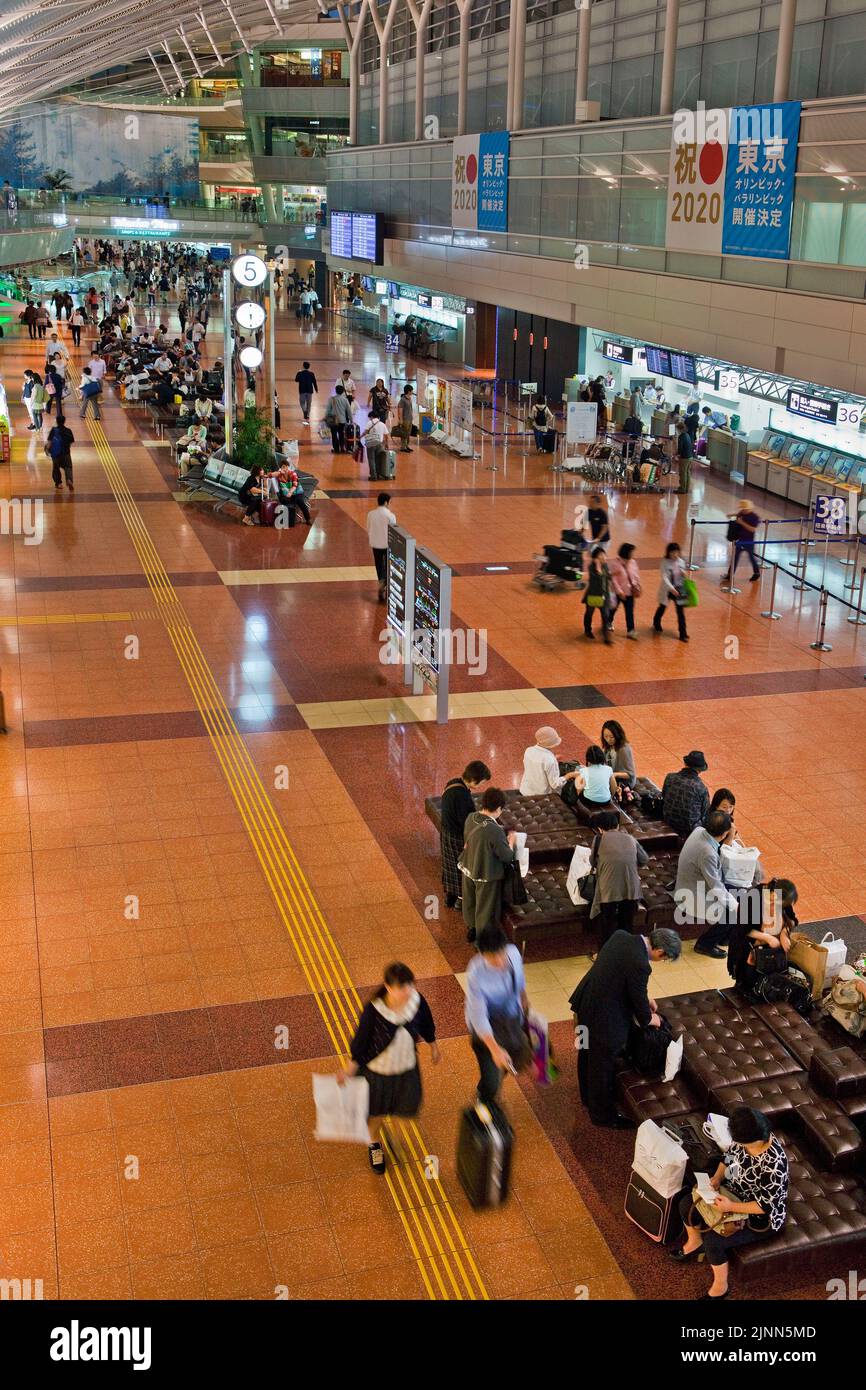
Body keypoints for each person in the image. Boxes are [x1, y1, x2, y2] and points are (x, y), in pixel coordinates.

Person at [671, 1105, 788, 1301]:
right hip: (733, 1193)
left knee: (714, 1241)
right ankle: (694, 1242)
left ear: (754, 1139)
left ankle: (720, 1287)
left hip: (760, 1217)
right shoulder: (745, 1142)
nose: (737, 1143)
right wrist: (717, 1179)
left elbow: (765, 1206)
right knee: (686, 1203)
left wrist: (730, 1207)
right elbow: (729, 1158)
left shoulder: (774, 1164)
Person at [569, 927, 682, 1128]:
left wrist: (645, 997)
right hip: (604, 1021)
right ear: (660, 952)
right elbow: (640, 1008)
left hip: (585, 1005)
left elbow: (617, 973)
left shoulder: (620, 936)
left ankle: (586, 1096)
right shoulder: (640, 964)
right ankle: (602, 1115)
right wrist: (651, 1019)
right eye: (664, 959)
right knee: (601, 1066)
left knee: (585, 1050)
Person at [339, 962, 438, 1175]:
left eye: (410, 985)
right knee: (376, 1115)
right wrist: (349, 1069)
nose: (407, 991)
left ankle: (391, 1135)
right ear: (388, 987)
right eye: (401, 987)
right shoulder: (374, 1011)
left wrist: (433, 1046)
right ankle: (374, 1144)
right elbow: (360, 1043)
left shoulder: (416, 1002)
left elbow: (427, 1024)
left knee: (406, 1108)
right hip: (378, 1075)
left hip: (406, 1071)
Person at [464, 925, 531, 1104]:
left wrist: (524, 998)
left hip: (511, 1020)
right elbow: (478, 1015)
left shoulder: (514, 953)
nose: (499, 961)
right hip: (486, 1028)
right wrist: (494, 1049)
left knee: (514, 1059)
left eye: (501, 954)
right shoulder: (475, 972)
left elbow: (520, 979)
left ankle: (494, 1081)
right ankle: (483, 1098)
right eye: (492, 958)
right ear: (482, 954)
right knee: (492, 1079)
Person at [674, 808, 739, 958]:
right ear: (724, 834)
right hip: (691, 895)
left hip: (695, 883)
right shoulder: (707, 853)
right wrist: (736, 906)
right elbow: (716, 888)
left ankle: (723, 937)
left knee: (738, 893)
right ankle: (705, 944)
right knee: (732, 911)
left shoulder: (699, 831)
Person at [460, 787, 517, 944]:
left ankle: (471, 929)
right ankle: (482, 941)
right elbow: (506, 856)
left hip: (467, 866)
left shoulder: (471, 818)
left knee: (470, 901)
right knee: (485, 909)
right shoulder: (494, 830)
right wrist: (511, 841)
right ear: (499, 809)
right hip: (486, 873)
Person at [726, 878, 797, 997]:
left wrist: (785, 933)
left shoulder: (782, 898)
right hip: (748, 950)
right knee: (746, 986)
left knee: (768, 985)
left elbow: (793, 920)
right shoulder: (752, 899)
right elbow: (742, 929)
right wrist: (767, 938)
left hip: (770, 952)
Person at [587, 809, 649, 945]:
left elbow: (593, 862)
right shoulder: (630, 838)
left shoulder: (598, 839)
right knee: (626, 924)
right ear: (618, 826)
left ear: (599, 828)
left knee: (606, 925)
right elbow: (644, 859)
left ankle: (605, 954)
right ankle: (625, 952)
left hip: (608, 890)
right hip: (631, 889)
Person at [439, 761, 492, 909]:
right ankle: (461, 901)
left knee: (450, 864)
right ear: (474, 780)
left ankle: (450, 896)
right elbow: (466, 823)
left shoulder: (453, 783)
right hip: (457, 836)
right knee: (463, 867)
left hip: (446, 832)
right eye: (481, 782)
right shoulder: (462, 796)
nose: (481, 786)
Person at [519, 726, 582, 797]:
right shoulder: (549, 759)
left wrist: (554, 759)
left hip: (526, 790)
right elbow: (555, 785)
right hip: (541, 795)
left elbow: (537, 765)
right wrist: (570, 775)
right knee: (573, 776)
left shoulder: (528, 750)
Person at [662, 750, 710, 838]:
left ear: (685, 764)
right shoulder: (701, 787)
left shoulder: (670, 777)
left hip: (668, 820)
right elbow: (705, 812)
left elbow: (664, 797)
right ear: (700, 770)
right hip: (690, 830)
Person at [652, 541, 689, 641]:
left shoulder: (681, 562)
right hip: (668, 589)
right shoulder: (664, 562)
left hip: (680, 589)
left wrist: (684, 574)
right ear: (668, 553)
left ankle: (683, 633)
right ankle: (656, 621)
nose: (675, 555)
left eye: (676, 552)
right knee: (663, 606)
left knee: (680, 612)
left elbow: (684, 576)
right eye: (672, 552)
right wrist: (672, 589)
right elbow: (664, 577)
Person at [366, 492, 396, 602]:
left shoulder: (371, 514)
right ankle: (386, 583)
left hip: (375, 544)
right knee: (388, 565)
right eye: (390, 502)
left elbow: (368, 528)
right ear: (385, 502)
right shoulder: (391, 516)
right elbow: (394, 532)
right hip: (387, 545)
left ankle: (381, 581)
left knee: (379, 564)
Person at [607, 542, 641, 640]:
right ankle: (609, 621)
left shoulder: (633, 562)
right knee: (613, 608)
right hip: (618, 593)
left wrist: (637, 584)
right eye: (631, 552)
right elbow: (614, 580)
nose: (633, 554)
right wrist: (619, 591)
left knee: (629, 612)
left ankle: (631, 631)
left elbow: (636, 575)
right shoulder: (615, 564)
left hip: (630, 592)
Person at [576, 744, 620, 814]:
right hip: (606, 801)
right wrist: (609, 796)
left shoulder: (584, 770)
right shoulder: (608, 769)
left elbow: (579, 788)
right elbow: (614, 787)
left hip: (589, 801)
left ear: (588, 758)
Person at [583, 546, 613, 643]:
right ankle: (587, 630)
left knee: (605, 615)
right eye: (601, 555)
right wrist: (598, 567)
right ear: (595, 558)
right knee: (589, 613)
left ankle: (606, 637)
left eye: (604, 554)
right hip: (594, 595)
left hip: (604, 596)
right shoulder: (592, 567)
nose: (604, 557)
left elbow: (608, 578)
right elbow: (597, 581)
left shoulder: (606, 566)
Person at [726, 499, 761, 582]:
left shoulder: (754, 517)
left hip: (748, 542)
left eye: (744, 508)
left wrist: (742, 523)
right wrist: (732, 515)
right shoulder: (741, 513)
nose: (742, 510)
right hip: (740, 540)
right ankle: (730, 575)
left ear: (748, 509)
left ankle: (756, 573)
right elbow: (736, 515)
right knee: (735, 557)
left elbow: (753, 529)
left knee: (751, 558)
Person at [600, 719, 637, 790]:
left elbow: (630, 774)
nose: (608, 740)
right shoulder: (608, 746)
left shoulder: (624, 749)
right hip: (612, 777)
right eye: (605, 736)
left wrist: (615, 775)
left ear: (617, 735)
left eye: (611, 737)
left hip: (624, 782)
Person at [46, 415, 74, 491]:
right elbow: (71, 442)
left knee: (56, 468)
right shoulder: (68, 430)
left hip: (56, 454)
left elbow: (49, 442)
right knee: (68, 467)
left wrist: (47, 450)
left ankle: (59, 483)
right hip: (66, 453)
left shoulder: (54, 430)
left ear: (57, 421)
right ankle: (69, 480)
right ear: (64, 421)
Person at [362, 416, 391, 482]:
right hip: (379, 444)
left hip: (371, 444)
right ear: (378, 417)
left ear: (371, 417)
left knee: (371, 460)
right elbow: (386, 435)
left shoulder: (369, 423)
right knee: (378, 459)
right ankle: (378, 474)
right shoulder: (382, 424)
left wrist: (360, 437)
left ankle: (373, 476)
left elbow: (365, 432)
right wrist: (386, 444)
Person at [324, 383, 352, 453]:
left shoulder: (331, 399)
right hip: (342, 420)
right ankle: (342, 447)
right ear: (343, 391)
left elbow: (328, 410)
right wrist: (351, 420)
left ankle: (336, 449)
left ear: (336, 391)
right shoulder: (345, 400)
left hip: (333, 420)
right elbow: (349, 411)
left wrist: (325, 417)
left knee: (334, 434)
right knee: (341, 434)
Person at [675, 420, 694, 494]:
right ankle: (686, 488)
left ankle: (682, 489)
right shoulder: (687, 435)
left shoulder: (681, 436)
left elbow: (680, 448)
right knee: (687, 473)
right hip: (690, 456)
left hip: (684, 458)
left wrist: (677, 454)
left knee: (682, 473)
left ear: (679, 429)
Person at [396, 385, 414, 452]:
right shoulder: (403, 400)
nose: (412, 392)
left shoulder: (409, 398)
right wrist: (400, 419)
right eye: (412, 390)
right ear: (408, 391)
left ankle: (407, 446)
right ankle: (403, 447)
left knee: (408, 433)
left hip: (410, 418)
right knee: (404, 433)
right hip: (405, 419)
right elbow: (400, 409)